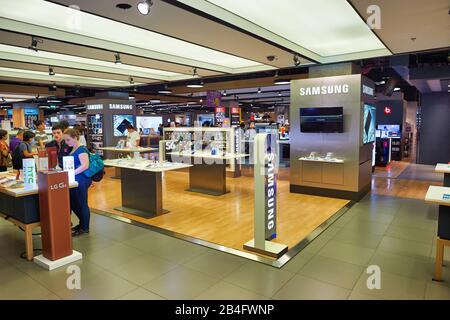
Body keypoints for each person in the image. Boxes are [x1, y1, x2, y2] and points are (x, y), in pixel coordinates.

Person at [63, 128, 92, 236]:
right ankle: (82, 224)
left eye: (68, 140)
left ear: (75, 138)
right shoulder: (74, 149)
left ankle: (85, 228)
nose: (66, 142)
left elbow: (85, 165)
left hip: (81, 180)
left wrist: (72, 173)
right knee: (74, 203)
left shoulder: (81, 149)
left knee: (82, 204)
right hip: (76, 180)